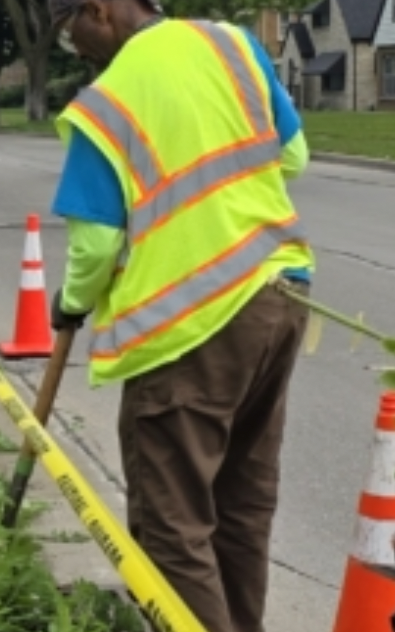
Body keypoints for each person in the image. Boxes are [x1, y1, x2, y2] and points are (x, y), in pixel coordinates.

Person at [46, 1, 314, 631]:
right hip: (278, 298)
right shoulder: (233, 44)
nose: (77, 50)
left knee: (170, 531)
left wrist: (71, 304)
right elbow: (293, 155)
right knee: (240, 511)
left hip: (187, 329)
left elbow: (95, 246)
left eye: (70, 34)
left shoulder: (107, 102)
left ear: (100, 9)